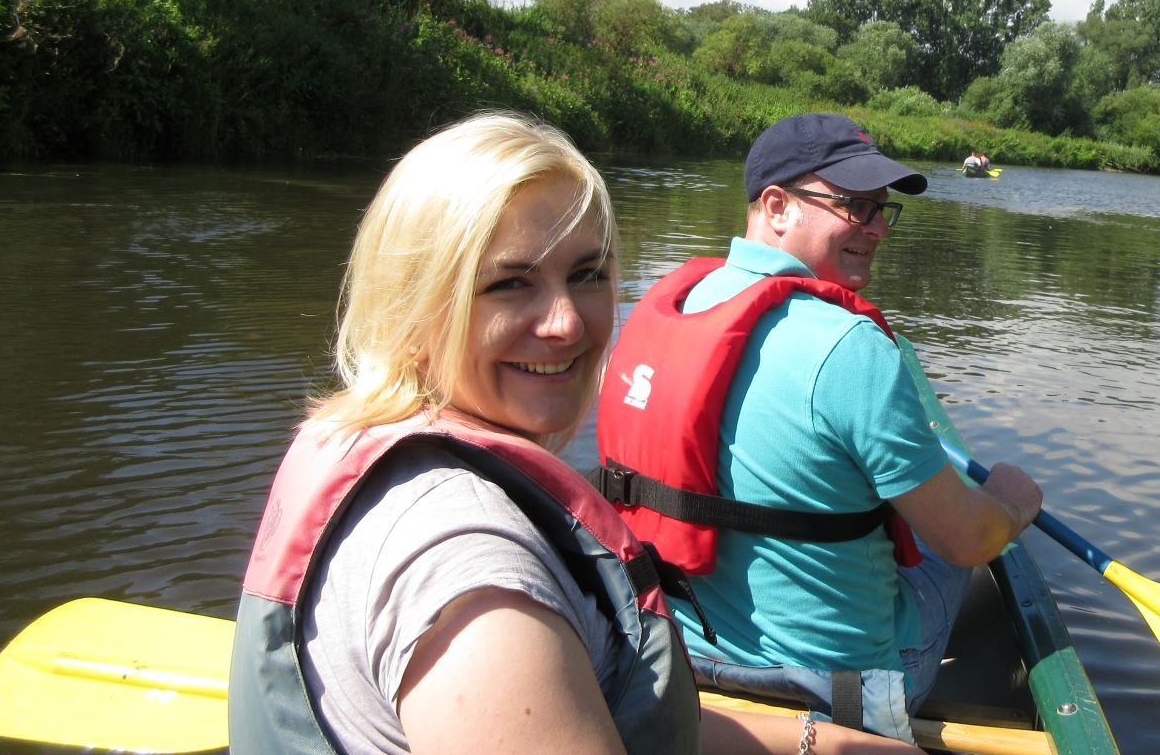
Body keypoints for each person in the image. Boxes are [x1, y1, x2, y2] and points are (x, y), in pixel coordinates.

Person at [228, 112, 916, 755]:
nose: (565, 322)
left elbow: (587, 702)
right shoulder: (478, 587)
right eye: (509, 284)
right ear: (414, 302)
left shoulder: (378, 439)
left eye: (586, 274)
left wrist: (820, 742)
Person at [594, 112, 1043, 742]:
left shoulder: (665, 306)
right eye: (856, 206)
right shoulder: (853, 347)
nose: (879, 227)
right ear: (776, 207)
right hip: (836, 688)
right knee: (960, 553)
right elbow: (967, 540)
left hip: (675, 659)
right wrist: (1012, 502)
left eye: (883, 209)